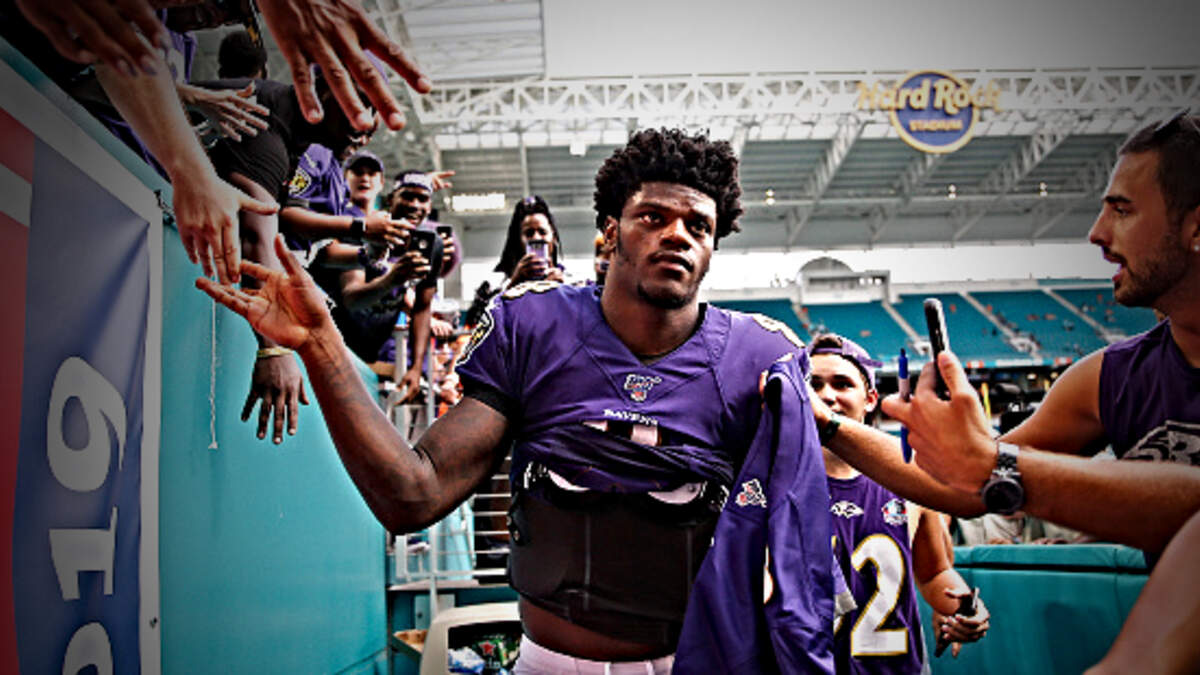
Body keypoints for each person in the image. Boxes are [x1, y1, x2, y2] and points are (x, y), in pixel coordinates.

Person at [197, 129, 840, 671]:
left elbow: (802, 552)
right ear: (610, 232)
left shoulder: (760, 355)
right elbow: (412, 496)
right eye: (654, 217)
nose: (677, 234)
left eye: (698, 225)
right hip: (548, 660)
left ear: (713, 247)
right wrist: (321, 344)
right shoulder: (533, 325)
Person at [808, 334, 988, 670]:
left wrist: (964, 608)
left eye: (842, 384)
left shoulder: (910, 478)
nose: (826, 396)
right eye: (813, 384)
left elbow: (934, 573)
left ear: (870, 399)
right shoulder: (772, 482)